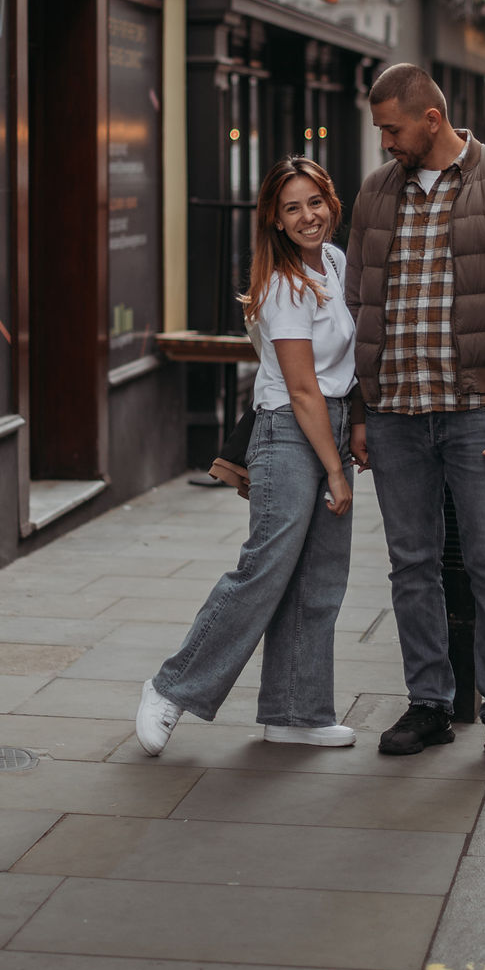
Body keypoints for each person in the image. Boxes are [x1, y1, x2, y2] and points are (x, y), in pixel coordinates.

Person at [345, 64, 485, 772]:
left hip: (480, 411)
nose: (385, 141)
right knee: (411, 565)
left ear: (430, 119)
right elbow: (357, 306)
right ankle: (429, 702)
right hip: (398, 413)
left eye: (392, 128)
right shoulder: (376, 192)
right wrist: (360, 409)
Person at [135, 157, 360, 755]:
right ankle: (170, 687)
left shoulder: (335, 263)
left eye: (315, 202)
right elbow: (303, 386)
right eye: (293, 208)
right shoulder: (285, 283)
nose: (308, 216)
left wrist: (350, 434)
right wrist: (335, 470)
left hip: (329, 425)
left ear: (331, 203)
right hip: (290, 429)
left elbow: (344, 371)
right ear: (275, 221)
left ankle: (296, 712)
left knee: (319, 578)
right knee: (264, 569)